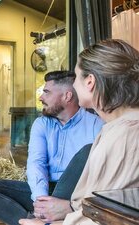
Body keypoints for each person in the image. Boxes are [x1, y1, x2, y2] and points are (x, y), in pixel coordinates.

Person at [19, 39, 139, 225]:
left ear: (90, 82)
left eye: (76, 78)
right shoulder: (117, 129)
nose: (73, 86)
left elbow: (106, 216)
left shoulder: (123, 136)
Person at [0, 71, 104, 225]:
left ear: (67, 96)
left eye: (46, 92)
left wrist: (65, 204)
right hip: (46, 189)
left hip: (75, 195)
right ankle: (36, 221)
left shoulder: (97, 125)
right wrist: (40, 200)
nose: (41, 97)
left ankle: (43, 219)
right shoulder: (41, 124)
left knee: (85, 153)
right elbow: (36, 163)